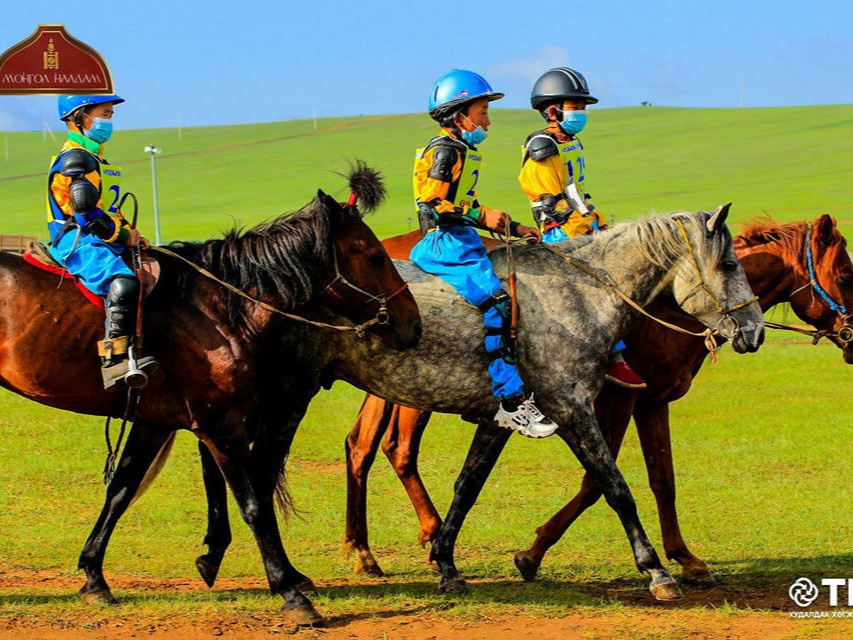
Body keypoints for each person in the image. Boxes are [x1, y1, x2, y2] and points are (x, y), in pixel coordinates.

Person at [410, 69, 559, 438]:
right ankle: (511, 402)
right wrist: (481, 216)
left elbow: (466, 204)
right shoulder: (445, 150)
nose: (488, 122)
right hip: (446, 245)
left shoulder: (463, 150)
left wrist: (514, 228)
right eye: (482, 113)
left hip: (465, 240)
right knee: (497, 306)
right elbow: (432, 205)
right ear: (458, 116)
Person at [518, 67, 646, 389]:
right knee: (598, 285)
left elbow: (577, 191)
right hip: (559, 231)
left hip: (581, 224)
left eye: (582, 107)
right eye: (575, 106)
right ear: (552, 111)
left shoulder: (571, 142)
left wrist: (599, 223)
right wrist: (585, 232)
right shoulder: (541, 145)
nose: (581, 113)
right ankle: (608, 359)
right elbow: (554, 202)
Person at [47, 95, 157, 392]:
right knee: (124, 282)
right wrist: (121, 236)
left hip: (97, 235)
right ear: (80, 117)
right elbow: (84, 212)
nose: (108, 121)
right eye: (104, 114)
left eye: (110, 115)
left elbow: (106, 208)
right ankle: (115, 362)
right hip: (76, 239)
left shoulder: (94, 158)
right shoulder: (76, 158)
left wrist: (131, 232)